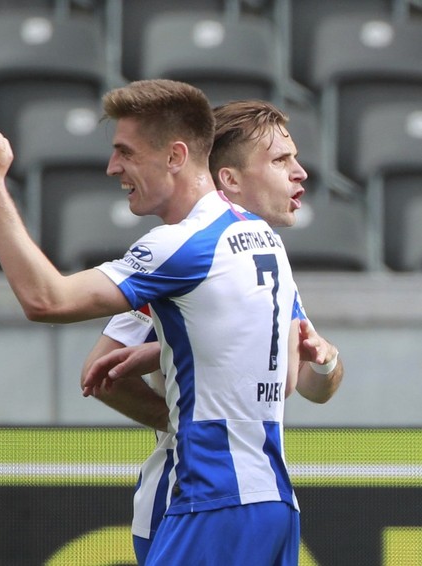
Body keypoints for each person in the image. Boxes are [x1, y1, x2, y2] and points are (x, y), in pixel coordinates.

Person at [0, 80, 303, 565]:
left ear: (175, 156)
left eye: (126, 152)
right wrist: (166, 355)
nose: (112, 167)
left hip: (214, 502)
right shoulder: (262, 237)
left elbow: (47, 300)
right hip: (273, 500)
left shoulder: (181, 245)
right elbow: (282, 376)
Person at [79, 99, 345, 564]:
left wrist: (325, 360)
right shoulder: (182, 253)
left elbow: (306, 386)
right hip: (187, 496)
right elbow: (100, 373)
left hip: (248, 491)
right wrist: (185, 424)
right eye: (281, 160)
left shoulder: (265, 254)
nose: (301, 172)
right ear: (229, 179)